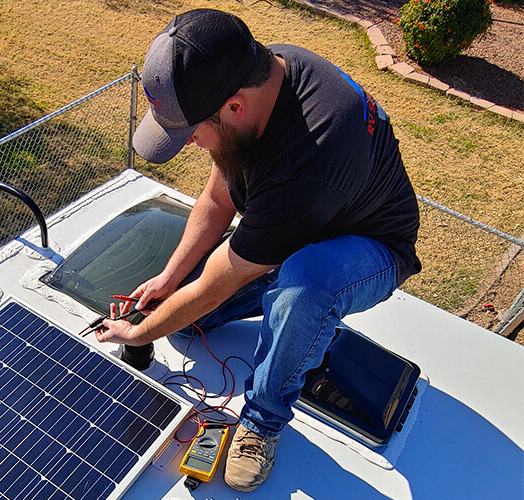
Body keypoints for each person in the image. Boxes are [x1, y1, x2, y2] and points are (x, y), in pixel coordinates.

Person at [94, 8, 422, 493]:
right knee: (188, 318)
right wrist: (168, 280)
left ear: (234, 107)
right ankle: (290, 306)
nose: (191, 146)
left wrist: (140, 334)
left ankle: (264, 421)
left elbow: (211, 288)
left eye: (191, 133)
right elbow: (217, 196)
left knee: (307, 282)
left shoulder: (314, 150)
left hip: (371, 250)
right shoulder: (259, 74)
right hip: (299, 227)